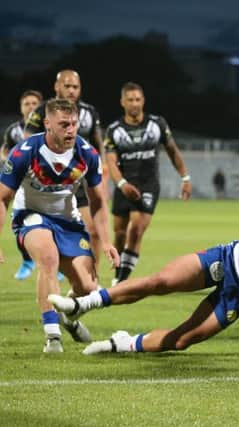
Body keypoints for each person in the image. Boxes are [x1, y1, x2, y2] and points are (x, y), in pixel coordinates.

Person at [48, 214, 239, 354]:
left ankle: (120, 343)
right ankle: (81, 304)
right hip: (227, 259)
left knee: (181, 340)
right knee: (161, 281)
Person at [0, 99, 119, 353]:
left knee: (87, 288)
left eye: (74, 124)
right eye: (64, 124)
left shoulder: (87, 154)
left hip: (68, 221)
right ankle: (52, 336)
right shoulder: (25, 151)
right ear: (47, 124)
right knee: (48, 259)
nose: (70, 130)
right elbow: (2, 197)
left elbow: (98, 201)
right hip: (30, 215)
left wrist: (107, 241)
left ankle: (67, 317)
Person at [105, 82, 192, 286]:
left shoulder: (157, 124)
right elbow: (110, 161)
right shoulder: (114, 130)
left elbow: (173, 151)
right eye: (130, 100)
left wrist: (185, 178)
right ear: (122, 102)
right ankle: (119, 267)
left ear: (143, 101)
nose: (135, 104)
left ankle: (121, 280)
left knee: (136, 230)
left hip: (148, 185)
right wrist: (122, 184)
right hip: (124, 186)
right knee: (119, 233)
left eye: (138, 99)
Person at [24, 70, 106, 270]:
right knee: (52, 234)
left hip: (79, 182)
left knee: (94, 231)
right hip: (49, 184)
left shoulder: (89, 113)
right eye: (67, 86)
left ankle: (90, 280)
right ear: (56, 87)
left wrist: (102, 178)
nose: (71, 90)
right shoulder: (42, 111)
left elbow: (98, 145)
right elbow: (27, 142)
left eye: (75, 87)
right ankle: (56, 272)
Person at [1, 89, 44, 280]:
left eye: (35, 104)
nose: (31, 107)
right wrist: (12, 161)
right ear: (21, 108)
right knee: (18, 221)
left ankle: (59, 264)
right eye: (27, 104)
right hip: (21, 183)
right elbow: (4, 152)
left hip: (47, 183)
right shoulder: (14, 131)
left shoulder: (50, 127)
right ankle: (27, 259)